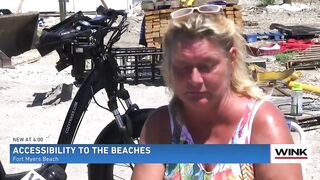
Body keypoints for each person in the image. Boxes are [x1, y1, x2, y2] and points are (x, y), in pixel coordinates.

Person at [132, 4, 303, 180]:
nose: (194, 80)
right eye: (182, 67)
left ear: (232, 59)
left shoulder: (263, 123)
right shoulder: (161, 127)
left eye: (207, 66)